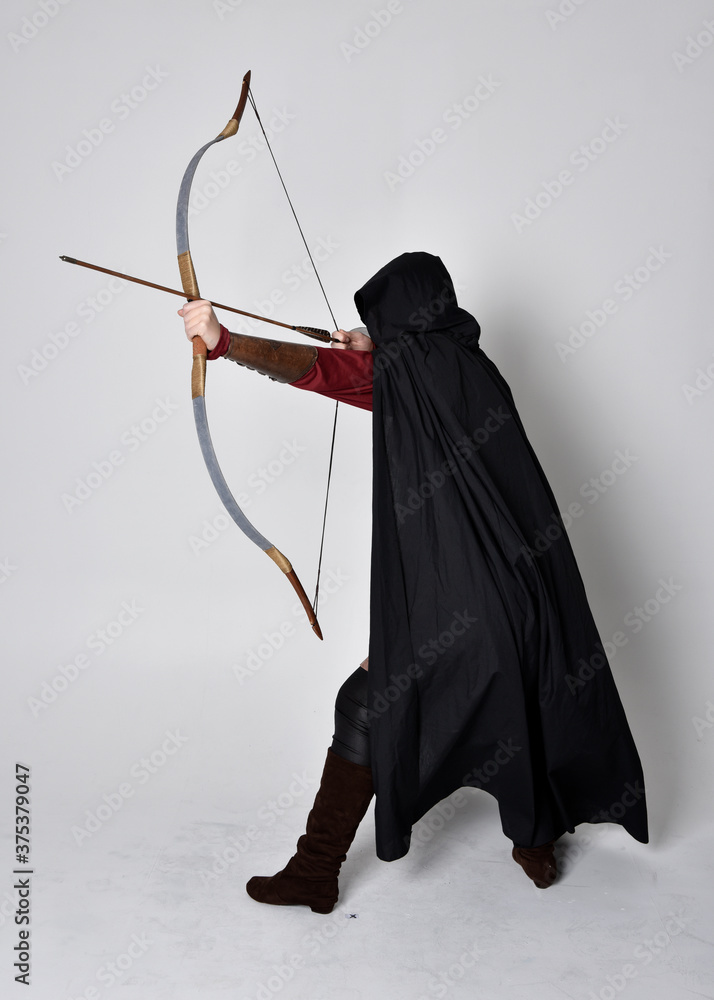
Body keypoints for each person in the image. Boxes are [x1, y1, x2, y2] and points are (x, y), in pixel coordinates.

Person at [179, 251, 649, 912]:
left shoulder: (416, 371)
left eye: (380, 316)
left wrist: (224, 342)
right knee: (524, 700)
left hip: (472, 605)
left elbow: (329, 371)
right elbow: (377, 376)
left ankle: (316, 870)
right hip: (524, 598)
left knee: (369, 703)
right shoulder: (464, 365)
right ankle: (536, 841)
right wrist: (380, 347)